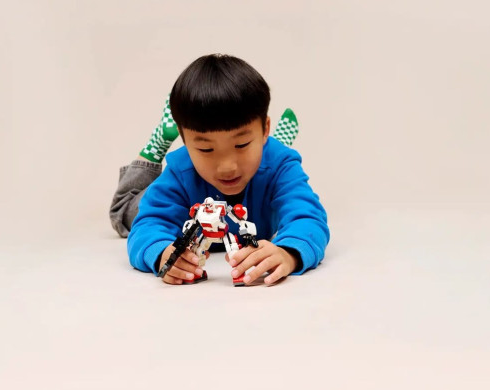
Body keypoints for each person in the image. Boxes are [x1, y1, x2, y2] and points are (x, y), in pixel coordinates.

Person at [110, 53, 329, 286]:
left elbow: (308, 217)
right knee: (125, 214)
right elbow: (147, 224)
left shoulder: (281, 166)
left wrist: (289, 252)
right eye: (206, 149)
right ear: (185, 142)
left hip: (269, 160)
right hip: (153, 193)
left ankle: (269, 144)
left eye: (241, 144)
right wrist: (162, 253)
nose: (227, 167)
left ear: (265, 128)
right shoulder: (180, 170)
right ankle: (159, 141)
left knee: (272, 158)